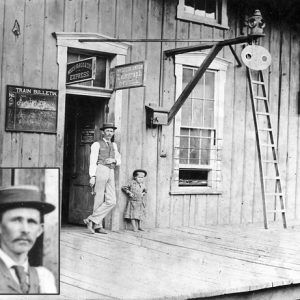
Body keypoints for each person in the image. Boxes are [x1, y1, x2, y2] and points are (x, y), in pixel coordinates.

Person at [0, 185, 57, 294]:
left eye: (31, 222)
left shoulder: (44, 278)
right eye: (16, 220)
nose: (25, 230)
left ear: (40, 230)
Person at [83, 122, 121, 234]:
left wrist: (114, 160)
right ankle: (97, 226)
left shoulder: (114, 145)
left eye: (112, 131)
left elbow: (119, 159)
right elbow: (92, 161)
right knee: (98, 199)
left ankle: (91, 219)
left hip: (111, 171)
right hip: (100, 169)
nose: (110, 133)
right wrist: (92, 176)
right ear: (103, 132)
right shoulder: (96, 144)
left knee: (112, 200)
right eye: (108, 131)